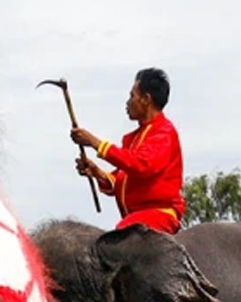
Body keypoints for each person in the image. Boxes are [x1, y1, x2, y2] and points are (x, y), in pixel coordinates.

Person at [72, 69, 185, 233]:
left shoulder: (164, 132)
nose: (128, 102)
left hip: (159, 215)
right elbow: (122, 181)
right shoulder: (133, 139)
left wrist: (95, 143)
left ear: (146, 99)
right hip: (137, 218)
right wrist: (97, 173)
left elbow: (141, 164)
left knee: (120, 237)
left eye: (132, 96)